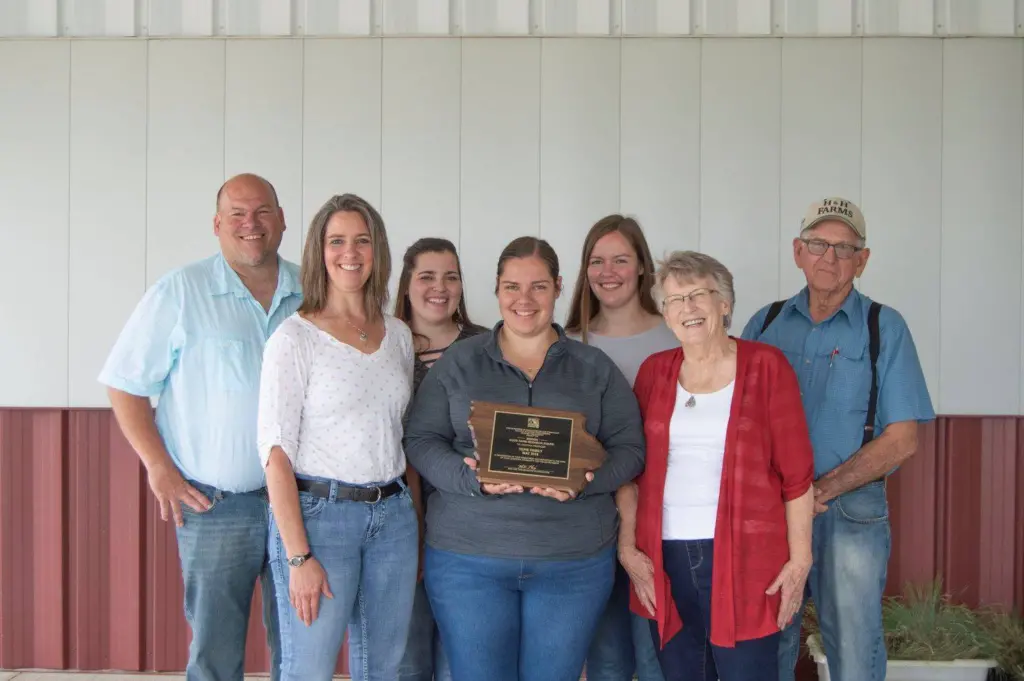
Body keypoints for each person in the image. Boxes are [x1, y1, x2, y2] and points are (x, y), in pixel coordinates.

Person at [403, 236, 646, 681]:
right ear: (496, 289)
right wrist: (467, 477)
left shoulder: (594, 367)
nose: (524, 300)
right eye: (512, 286)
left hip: (572, 563)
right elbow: (420, 440)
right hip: (468, 560)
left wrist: (585, 481)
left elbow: (631, 450)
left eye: (538, 286)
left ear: (557, 287)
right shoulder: (459, 362)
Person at [99, 173, 298, 681]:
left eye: (262, 212)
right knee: (214, 652)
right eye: (237, 214)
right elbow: (125, 384)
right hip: (215, 507)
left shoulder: (313, 293)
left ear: (282, 219)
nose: (250, 224)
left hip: (302, 504)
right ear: (217, 224)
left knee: (301, 648)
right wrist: (158, 466)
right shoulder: (181, 292)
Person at [740, 198, 935, 681]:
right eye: (818, 245)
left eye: (844, 248)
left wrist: (818, 493)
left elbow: (902, 438)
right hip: (769, 512)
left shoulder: (883, 327)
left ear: (862, 260)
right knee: (767, 641)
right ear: (797, 252)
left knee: (853, 645)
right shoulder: (762, 325)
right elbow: (736, 422)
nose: (829, 257)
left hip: (849, 511)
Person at [619, 250, 816, 681]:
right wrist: (628, 548)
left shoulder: (766, 367)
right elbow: (630, 472)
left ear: (724, 303)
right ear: (666, 315)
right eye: (674, 300)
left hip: (749, 560)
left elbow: (797, 477)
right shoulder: (654, 374)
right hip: (665, 557)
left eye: (698, 295)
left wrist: (799, 561)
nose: (687, 308)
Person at [256, 193, 418, 681]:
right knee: (310, 668)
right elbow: (275, 454)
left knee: (384, 668)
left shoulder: (399, 335)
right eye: (337, 241)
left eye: (362, 240)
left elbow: (398, 434)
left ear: (378, 250)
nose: (350, 253)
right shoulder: (294, 338)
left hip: (394, 519)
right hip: (320, 520)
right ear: (319, 252)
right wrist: (299, 556)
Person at [564, 215, 674, 681]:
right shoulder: (564, 343)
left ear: (643, 267)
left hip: (661, 521)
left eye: (621, 260)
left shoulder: (676, 334)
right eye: (597, 261)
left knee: (657, 656)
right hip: (587, 520)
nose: (608, 271)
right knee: (607, 659)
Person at [392, 237, 487, 681]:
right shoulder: (383, 343)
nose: (440, 287)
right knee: (407, 656)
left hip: (472, 516)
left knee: (462, 656)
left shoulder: (490, 345)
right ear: (406, 282)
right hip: (395, 514)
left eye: (451, 276)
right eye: (427, 276)